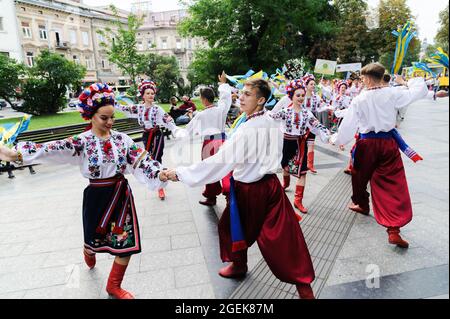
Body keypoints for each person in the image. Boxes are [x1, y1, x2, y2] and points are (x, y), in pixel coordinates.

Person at [0, 83, 168, 299]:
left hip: (120, 197)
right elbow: (50, 148)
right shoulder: (82, 142)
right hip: (96, 197)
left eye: (112, 117)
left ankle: (113, 286)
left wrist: (161, 173)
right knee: (93, 240)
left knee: (126, 242)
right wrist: (13, 154)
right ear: (90, 115)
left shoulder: (122, 140)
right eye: (104, 118)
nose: (110, 122)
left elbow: (141, 159)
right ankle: (88, 250)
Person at [166, 78, 316, 299]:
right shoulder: (267, 120)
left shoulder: (250, 128)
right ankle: (301, 287)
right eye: (242, 93)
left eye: (248, 94)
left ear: (261, 100)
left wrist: (181, 173)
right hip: (271, 186)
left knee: (237, 230)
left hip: (251, 190)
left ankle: (244, 266)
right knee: (280, 235)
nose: (242, 97)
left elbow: (219, 162)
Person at [331, 63, 429, 249]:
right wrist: (407, 81)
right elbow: (420, 90)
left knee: (358, 176)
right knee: (392, 183)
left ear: (367, 78)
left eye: (362, 79)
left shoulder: (359, 99)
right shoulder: (393, 93)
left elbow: (349, 126)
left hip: (367, 143)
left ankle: (362, 203)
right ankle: (393, 230)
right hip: (388, 143)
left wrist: (336, 139)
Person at [268, 79, 332, 218]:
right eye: (298, 95)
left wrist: (328, 136)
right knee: (285, 167)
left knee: (303, 172)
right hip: (287, 142)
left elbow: (317, 125)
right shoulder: (285, 111)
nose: (301, 98)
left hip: (300, 144)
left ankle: (298, 200)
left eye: (303, 95)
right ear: (291, 96)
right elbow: (271, 117)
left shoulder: (307, 113)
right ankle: (285, 183)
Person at [175, 72, 233, 206]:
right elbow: (225, 98)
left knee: (209, 169)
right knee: (225, 168)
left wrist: (176, 130)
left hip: (209, 144)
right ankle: (229, 194)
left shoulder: (201, 115)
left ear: (204, 99)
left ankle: (211, 196)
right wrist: (223, 84)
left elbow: (189, 131)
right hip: (223, 141)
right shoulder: (221, 110)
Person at [115, 80, 177, 200]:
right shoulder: (138, 108)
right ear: (143, 95)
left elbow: (167, 119)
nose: (150, 95)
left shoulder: (157, 109)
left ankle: (160, 187)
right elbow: (123, 108)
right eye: (148, 93)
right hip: (146, 135)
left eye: (152, 93)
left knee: (157, 158)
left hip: (157, 134)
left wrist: (175, 129)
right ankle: (154, 177)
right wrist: (112, 101)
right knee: (148, 158)